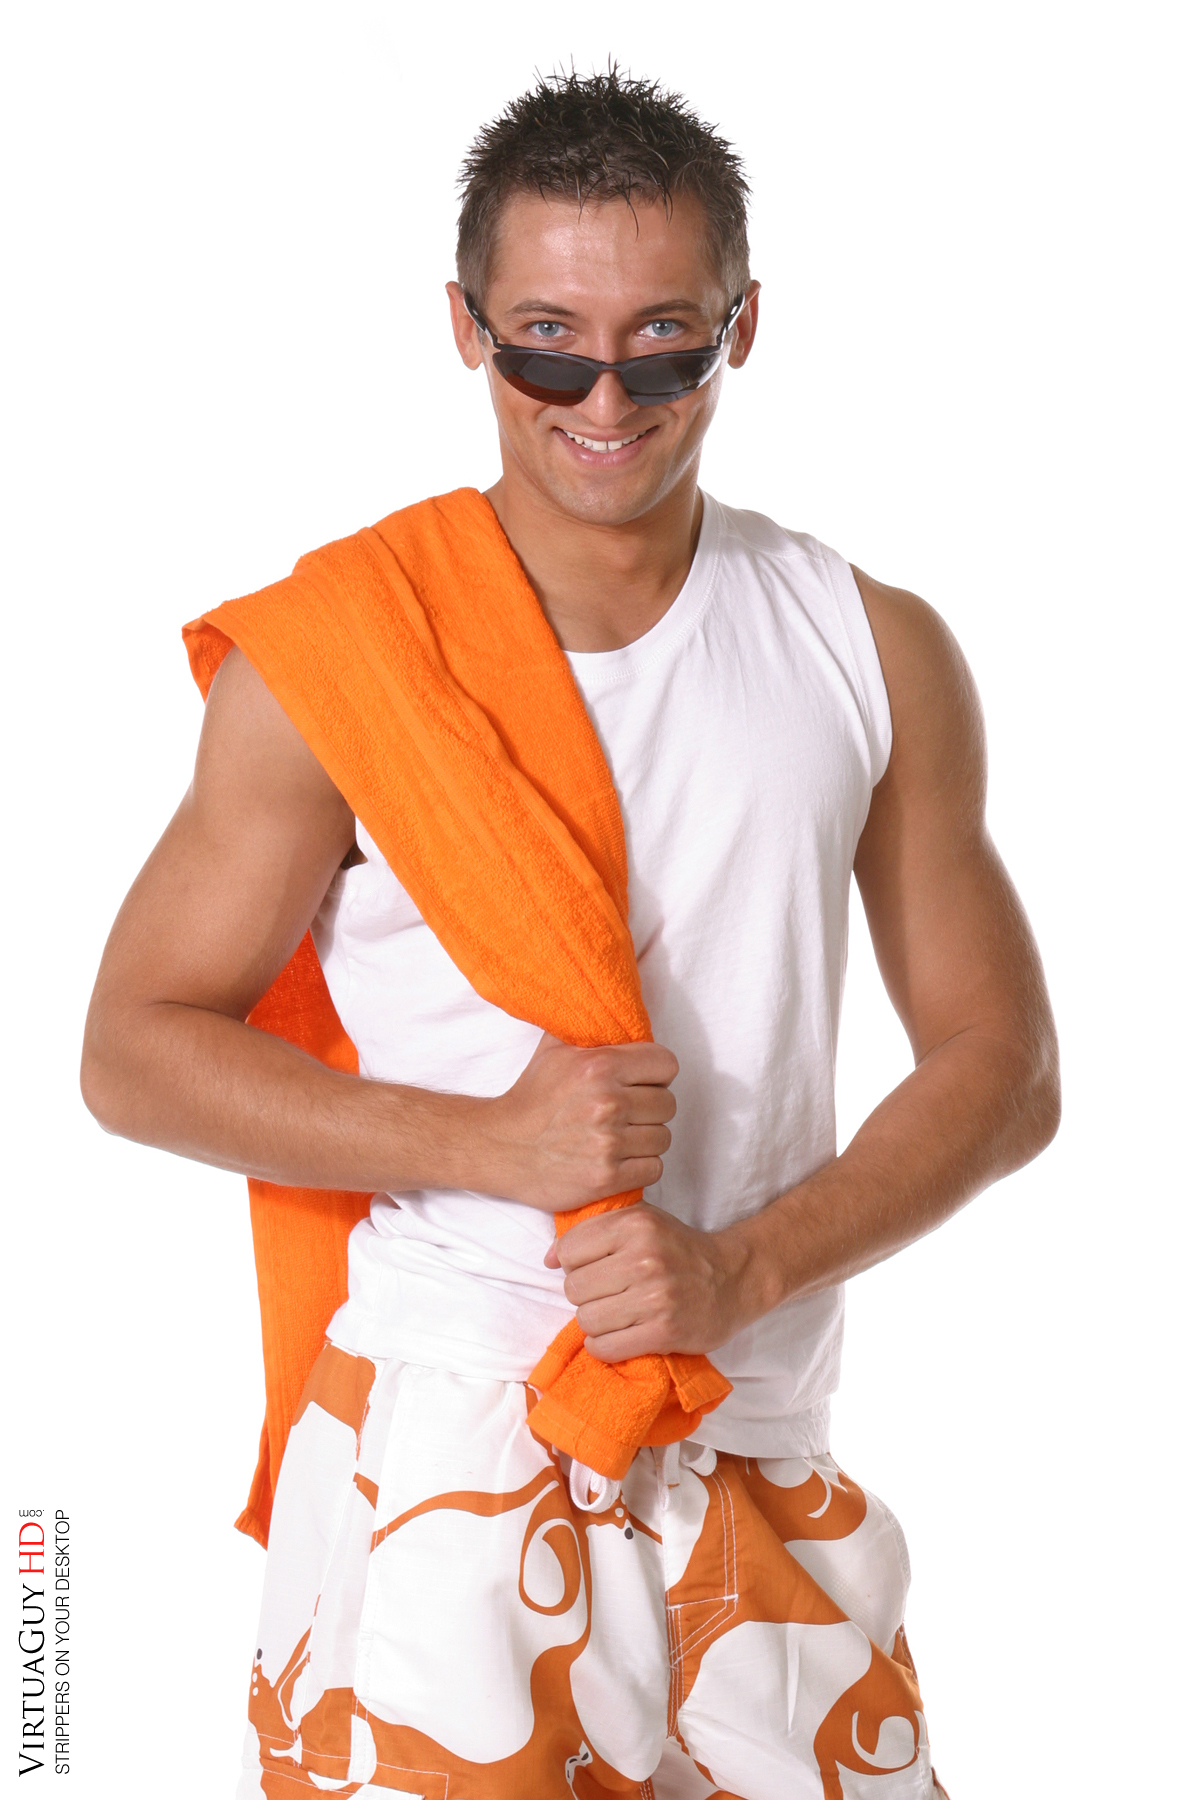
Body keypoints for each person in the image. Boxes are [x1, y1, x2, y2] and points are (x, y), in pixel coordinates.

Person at [81, 67, 1058, 1800]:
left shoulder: (869, 644)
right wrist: (488, 1143)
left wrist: (741, 1271)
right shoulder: (343, 659)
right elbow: (132, 1047)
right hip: (444, 1446)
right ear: (466, 328)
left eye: (662, 344)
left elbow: (1006, 1068)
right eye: (547, 344)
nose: (604, 399)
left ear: (742, 328)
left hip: (755, 1432)